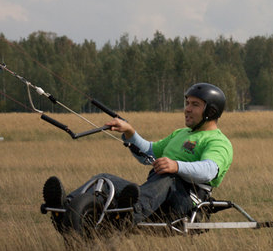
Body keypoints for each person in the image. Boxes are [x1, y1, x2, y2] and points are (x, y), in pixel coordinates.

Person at [42, 83, 233, 227]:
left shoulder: (218, 142)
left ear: (211, 111)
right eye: (187, 103)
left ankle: (130, 214)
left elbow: (210, 170)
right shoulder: (181, 133)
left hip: (184, 203)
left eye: (195, 105)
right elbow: (148, 153)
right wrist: (130, 132)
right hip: (155, 197)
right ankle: (64, 208)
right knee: (104, 179)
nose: (187, 109)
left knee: (168, 177)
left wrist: (176, 166)